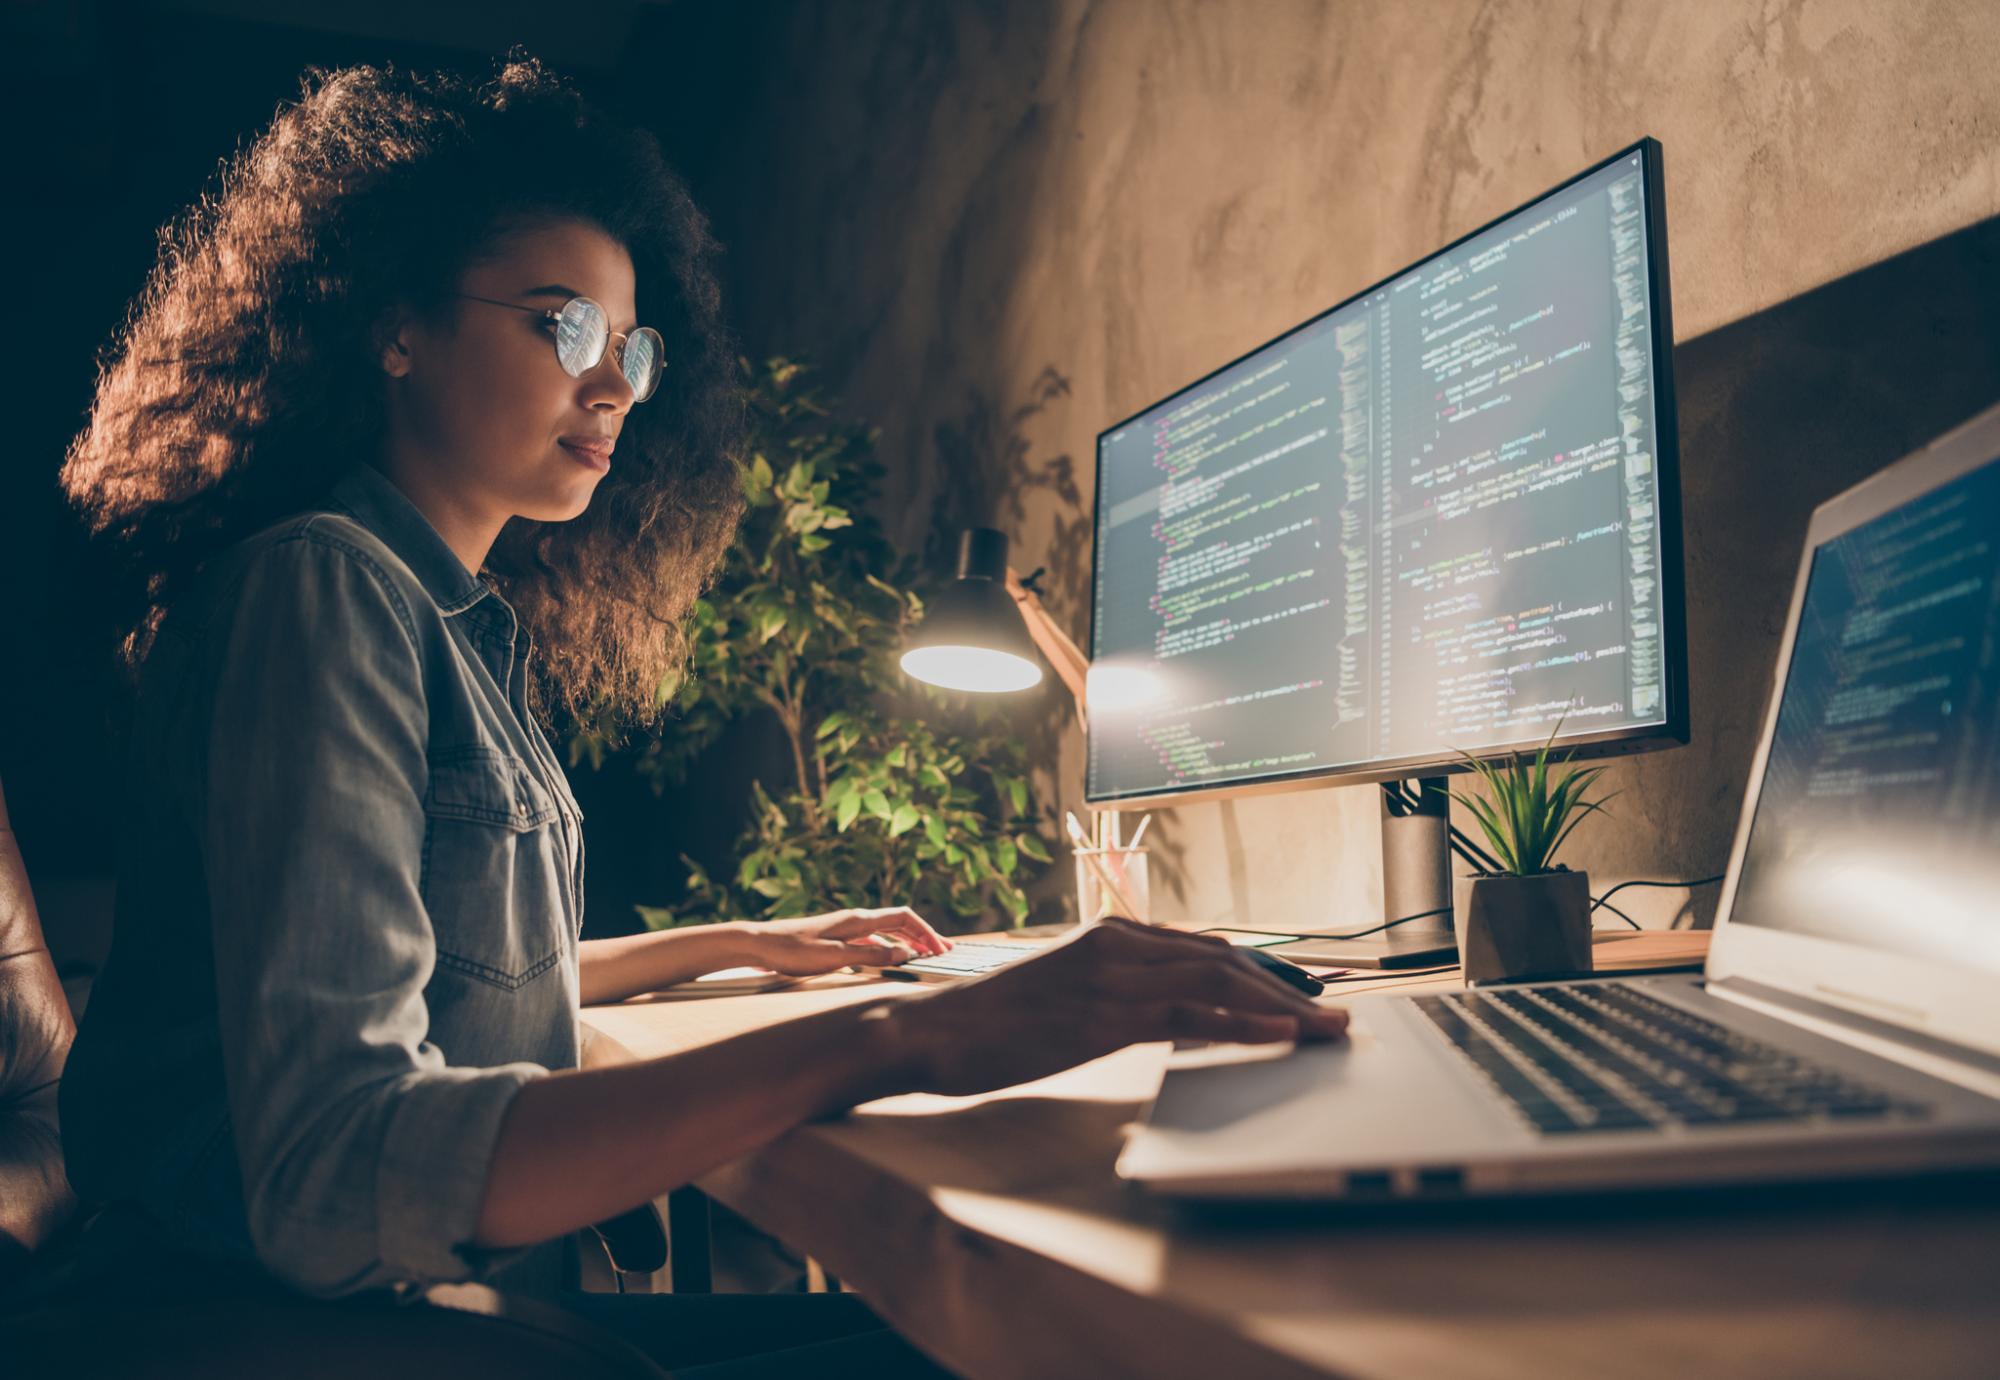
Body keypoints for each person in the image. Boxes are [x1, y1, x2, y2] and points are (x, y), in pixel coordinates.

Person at [54, 56, 1347, 1376]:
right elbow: (337, 1173)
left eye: (634, 348)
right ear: (397, 327)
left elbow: (447, 974)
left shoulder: (446, 615)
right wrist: (914, 1033)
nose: (613, 385)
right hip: (266, 1330)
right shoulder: (324, 590)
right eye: (562, 328)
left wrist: (739, 946)